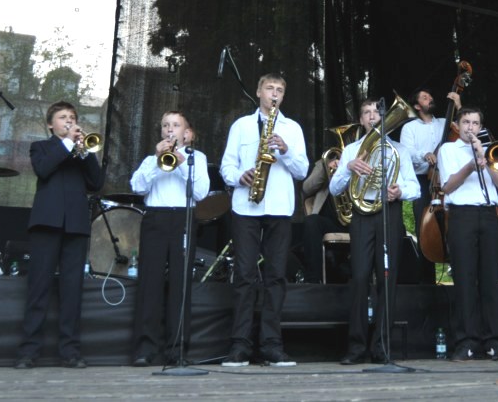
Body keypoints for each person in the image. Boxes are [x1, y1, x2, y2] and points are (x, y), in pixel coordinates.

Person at [219, 73, 309, 367]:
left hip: (279, 208)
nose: (274, 93)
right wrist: (239, 177)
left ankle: (271, 344)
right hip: (246, 207)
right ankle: (240, 345)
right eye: (269, 88)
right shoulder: (241, 126)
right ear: (259, 92)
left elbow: (302, 171)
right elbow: (226, 167)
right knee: (244, 276)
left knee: (276, 277)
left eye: (279, 89)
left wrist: (285, 150)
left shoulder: (292, 129)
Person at [15, 101, 105, 369]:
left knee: (72, 291)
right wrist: (66, 143)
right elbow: (43, 169)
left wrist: (86, 151)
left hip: (75, 225)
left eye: (72, 117)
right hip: (46, 224)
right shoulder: (41, 147)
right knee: (39, 288)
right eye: (63, 117)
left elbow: (96, 183)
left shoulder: (80, 151)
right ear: (50, 124)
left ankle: (70, 351)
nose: (69, 121)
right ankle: (28, 351)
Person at [330, 99, 419, 365]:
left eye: (377, 113)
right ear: (361, 120)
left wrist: (400, 191)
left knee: (386, 280)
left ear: (384, 118)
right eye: (367, 113)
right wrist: (348, 168)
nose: (372, 117)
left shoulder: (399, 150)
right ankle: (356, 347)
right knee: (359, 278)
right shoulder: (352, 150)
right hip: (362, 216)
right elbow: (334, 189)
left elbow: (415, 188)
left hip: (389, 213)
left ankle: (382, 347)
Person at [130, 111, 210, 367]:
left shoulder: (197, 158)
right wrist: (157, 161)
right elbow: (137, 187)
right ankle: (145, 348)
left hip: (183, 219)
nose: (169, 130)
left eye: (176, 125)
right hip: (155, 218)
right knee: (150, 283)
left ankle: (178, 349)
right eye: (165, 125)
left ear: (187, 134)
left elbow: (201, 192)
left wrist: (181, 164)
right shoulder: (150, 159)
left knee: (180, 283)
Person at [437, 107, 498, 361]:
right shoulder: (448, 149)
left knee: (491, 279)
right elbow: (447, 187)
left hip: (489, 214)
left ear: (481, 127)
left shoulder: (489, 149)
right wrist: (470, 166)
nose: (470, 127)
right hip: (462, 215)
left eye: (475, 123)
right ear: (457, 126)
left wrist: (484, 157)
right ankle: (466, 341)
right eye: (466, 122)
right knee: (465, 279)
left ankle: (494, 341)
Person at [399, 89, 461, 283]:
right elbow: (406, 152)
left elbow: (466, 131)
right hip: (423, 181)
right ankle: (426, 283)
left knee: (456, 223)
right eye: (425, 97)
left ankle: (459, 274)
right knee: (424, 226)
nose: (430, 98)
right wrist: (424, 154)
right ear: (417, 106)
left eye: (430, 96)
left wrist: (458, 106)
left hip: (448, 180)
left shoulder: (445, 123)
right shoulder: (409, 128)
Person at [300, 152, 343, 283]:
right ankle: (313, 280)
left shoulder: (364, 162)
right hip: (329, 222)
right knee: (311, 221)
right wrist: (326, 169)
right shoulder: (324, 162)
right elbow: (306, 188)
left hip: (357, 221)